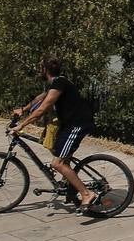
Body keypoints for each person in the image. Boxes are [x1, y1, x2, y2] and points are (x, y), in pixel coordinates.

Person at [11, 57, 99, 211]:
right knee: (57, 150)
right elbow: (42, 96)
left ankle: (86, 194)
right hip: (69, 125)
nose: (40, 70)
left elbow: (43, 108)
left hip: (77, 125)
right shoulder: (57, 83)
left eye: (41, 67)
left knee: (56, 163)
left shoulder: (59, 83)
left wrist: (22, 125)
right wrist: (23, 109)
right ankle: (70, 189)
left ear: (45, 70)